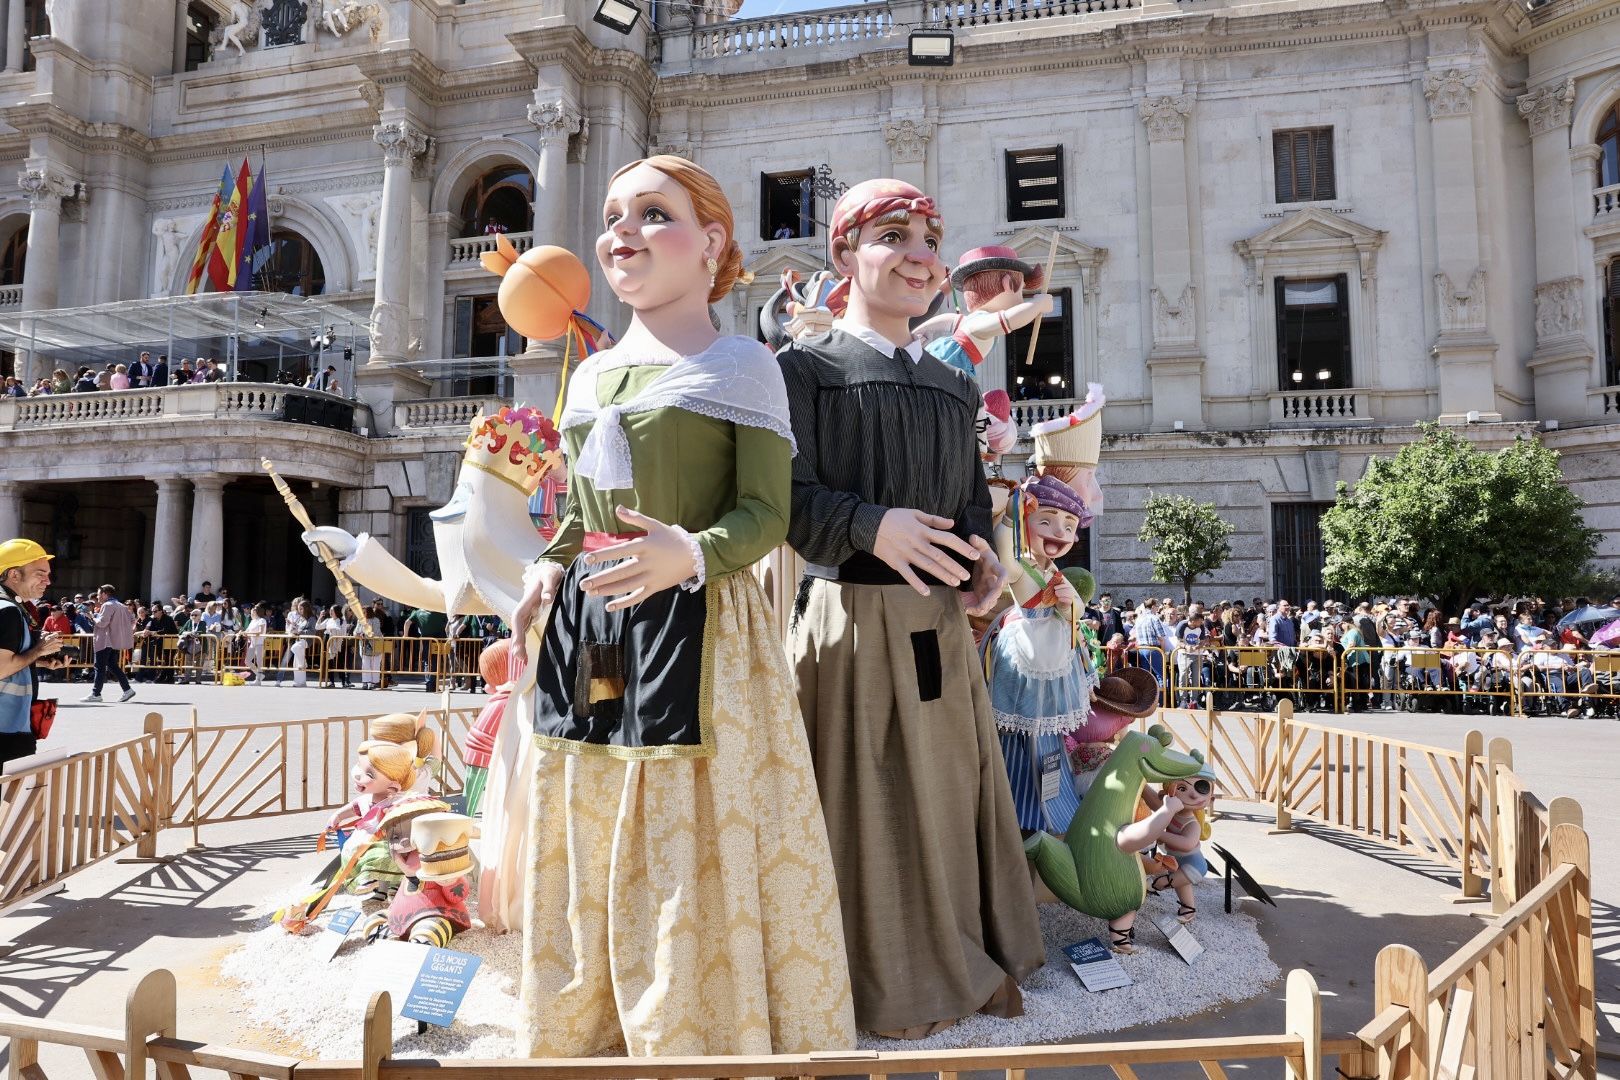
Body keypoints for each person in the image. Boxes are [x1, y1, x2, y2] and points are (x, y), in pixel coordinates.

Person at [507, 155, 854, 1057]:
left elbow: (767, 514)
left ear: (712, 246)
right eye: (615, 214)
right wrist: (550, 567)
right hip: (594, 627)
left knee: (685, 828)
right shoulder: (585, 379)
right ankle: (589, 1020)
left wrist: (689, 553)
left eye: (653, 214)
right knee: (591, 809)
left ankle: (692, 1025)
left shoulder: (744, 365)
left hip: (703, 631)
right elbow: (581, 516)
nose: (621, 231)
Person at [777, 177, 1041, 1039]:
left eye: (931, 239)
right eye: (895, 236)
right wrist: (868, 525)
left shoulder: (952, 384)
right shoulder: (802, 370)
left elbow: (968, 497)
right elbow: (784, 497)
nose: (921, 257)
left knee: (943, 787)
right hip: (845, 629)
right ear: (845, 253)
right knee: (863, 802)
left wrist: (984, 561)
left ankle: (959, 942)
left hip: (938, 629)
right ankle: (872, 976)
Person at [0, 540, 68, 766]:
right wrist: (38, 650)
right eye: (40, 574)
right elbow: (2, 668)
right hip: (7, 728)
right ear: (14, 575)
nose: (47, 581)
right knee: (14, 800)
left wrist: (39, 661)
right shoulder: (9, 612)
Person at [85, 584, 135, 703]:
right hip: (114, 641)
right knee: (112, 666)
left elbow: (102, 623)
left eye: (98, 595)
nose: (97, 597)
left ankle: (96, 693)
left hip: (104, 640)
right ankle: (127, 689)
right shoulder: (122, 606)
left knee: (99, 667)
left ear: (104, 594)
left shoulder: (107, 605)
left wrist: (93, 617)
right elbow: (132, 620)